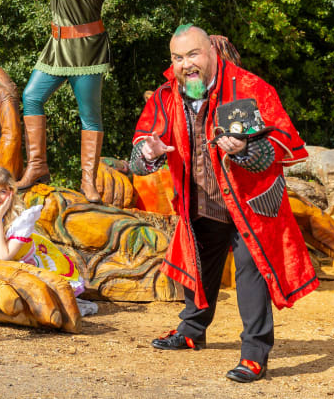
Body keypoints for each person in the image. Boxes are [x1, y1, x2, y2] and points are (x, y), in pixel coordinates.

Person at [129, 24, 319, 383]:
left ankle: (254, 355)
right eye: (178, 57)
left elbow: (284, 144)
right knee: (198, 264)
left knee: (251, 274)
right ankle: (191, 332)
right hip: (202, 201)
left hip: (250, 205)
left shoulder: (251, 88)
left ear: (212, 54)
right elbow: (141, 151)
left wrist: (247, 150)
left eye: (193, 54)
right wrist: (147, 152)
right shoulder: (165, 97)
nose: (186, 65)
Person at [0, 0, 109, 203]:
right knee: (32, 97)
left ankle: (88, 181)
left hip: (86, 51)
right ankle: (37, 167)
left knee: (90, 116)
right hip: (57, 47)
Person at [0, 166, 85, 299]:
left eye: (3, 191)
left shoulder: (20, 220)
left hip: (27, 260)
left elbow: (2, 257)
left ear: (11, 193)